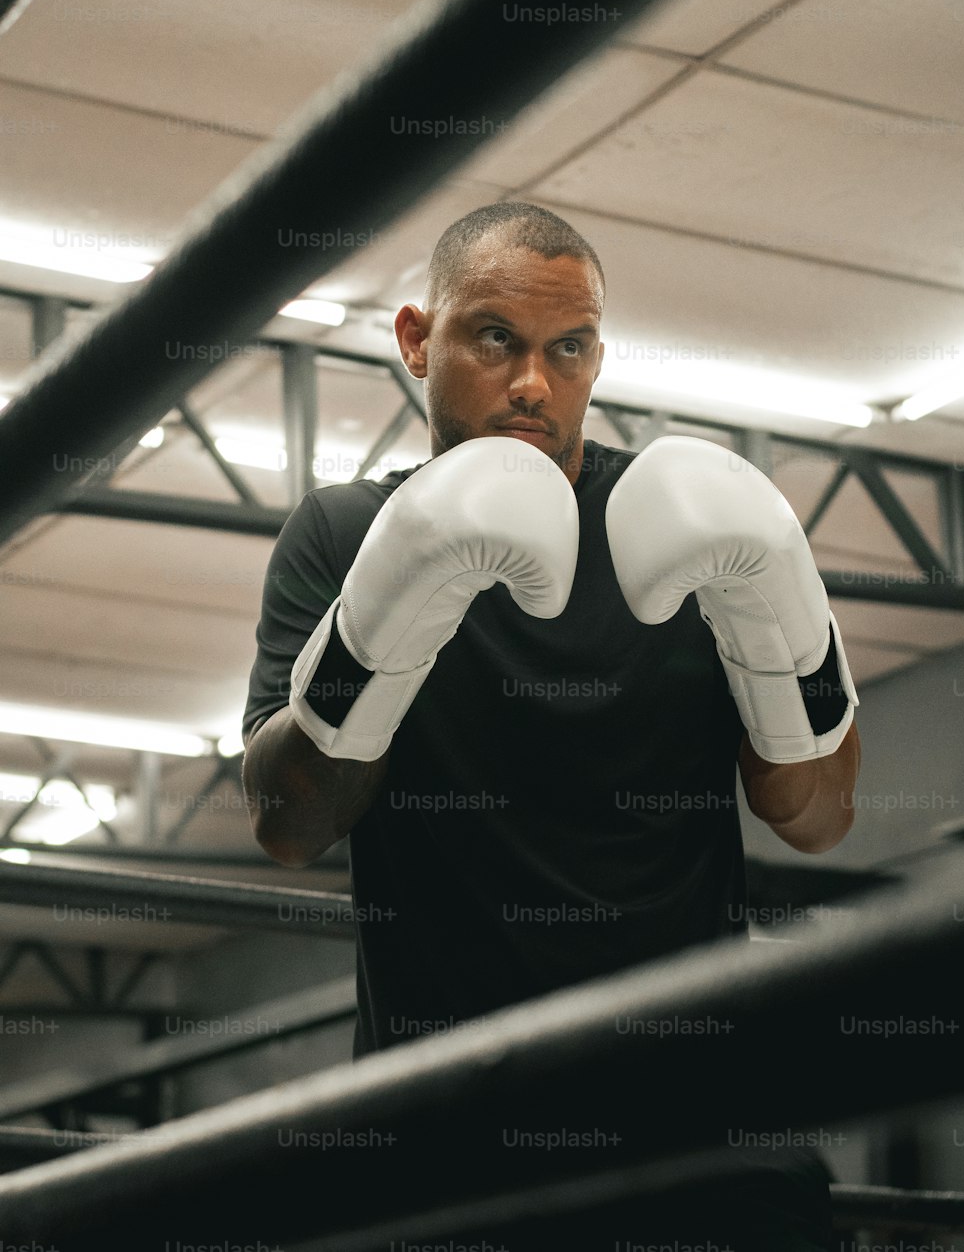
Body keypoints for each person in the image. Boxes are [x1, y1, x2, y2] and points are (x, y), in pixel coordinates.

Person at [241, 201, 861, 1251]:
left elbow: (816, 817)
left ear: (596, 356)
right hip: (447, 1127)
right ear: (414, 340)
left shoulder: (688, 530)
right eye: (495, 339)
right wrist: (384, 622)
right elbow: (288, 823)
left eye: (567, 349)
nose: (533, 382)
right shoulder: (347, 534)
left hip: (697, 1131)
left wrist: (784, 633)